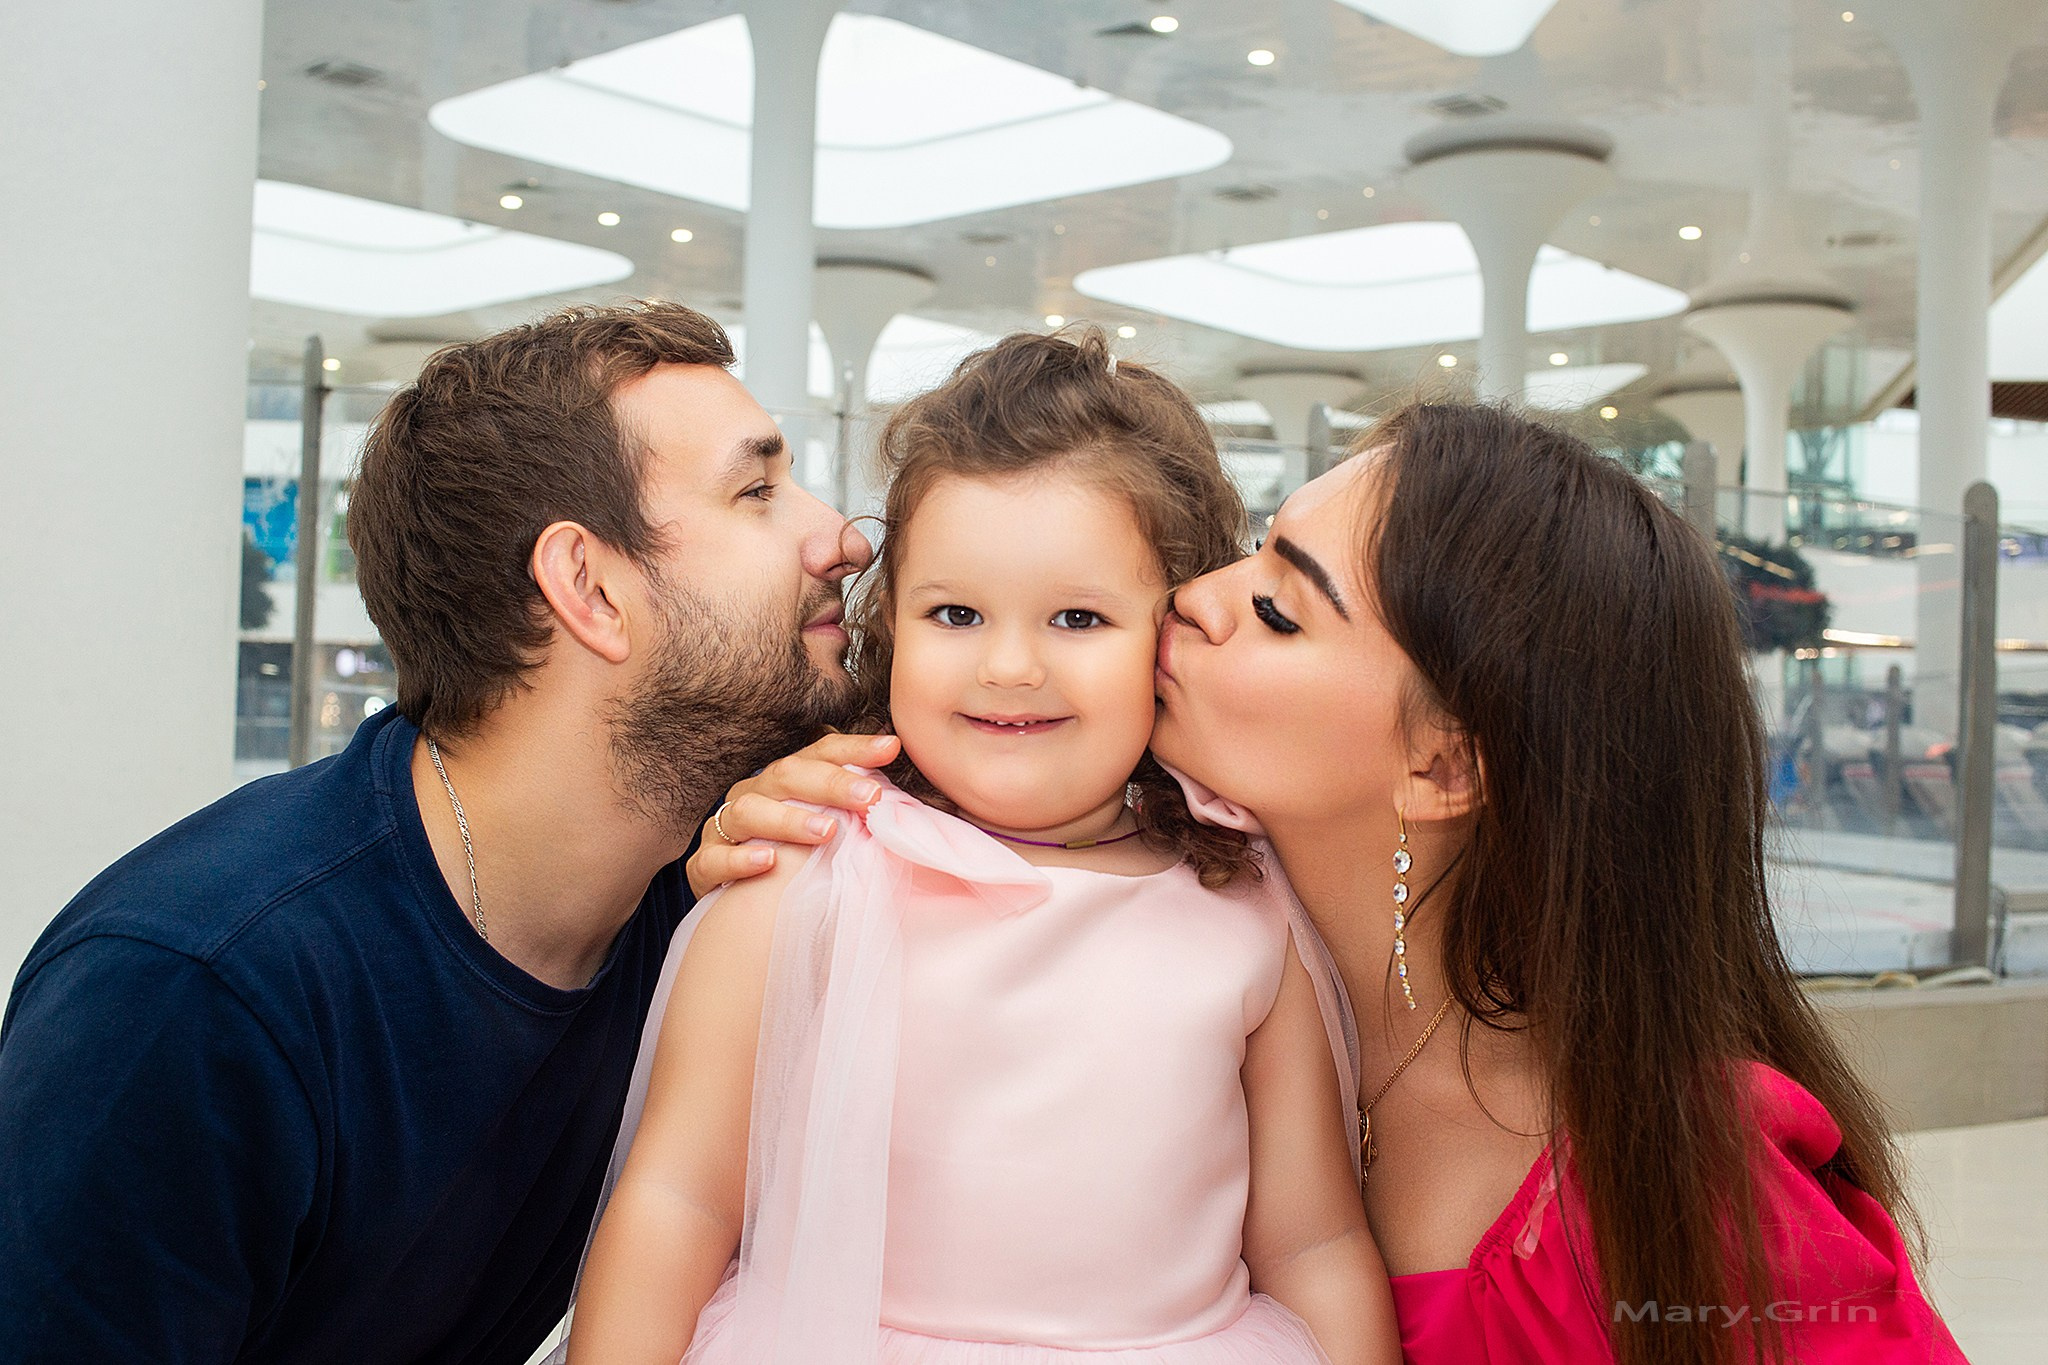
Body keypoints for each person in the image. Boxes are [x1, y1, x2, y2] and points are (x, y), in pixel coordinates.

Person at [711, 401, 1967, 1365]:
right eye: (1248, 551)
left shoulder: (1683, 1180)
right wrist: (782, 850)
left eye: (1277, 609)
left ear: (1440, 761)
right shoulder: (1147, 906)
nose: (1188, 602)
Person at [0, 301, 897, 1364]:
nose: (838, 536)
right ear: (588, 588)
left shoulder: (707, 891)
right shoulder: (196, 991)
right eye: (756, 491)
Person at [566, 329, 1401, 1365]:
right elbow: (679, 1200)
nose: (1008, 666)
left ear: (1170, 632)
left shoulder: (1247, 907)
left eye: (1077, 618)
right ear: (889, 629)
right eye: (955, 613)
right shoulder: (804, 870)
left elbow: (1313, 1238)